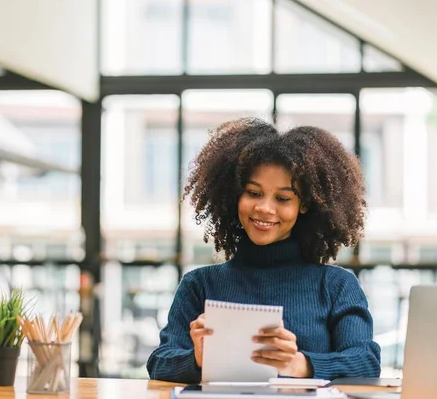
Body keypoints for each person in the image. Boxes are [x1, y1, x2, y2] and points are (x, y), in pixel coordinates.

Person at [146, 116, 381, 383]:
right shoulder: (199, 284)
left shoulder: (337, 285)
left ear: (304, 205)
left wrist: (299, 364)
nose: (264, 209)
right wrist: (198, 358)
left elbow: (366, 362)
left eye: (282, 198)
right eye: (253, 193)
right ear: (235, 195)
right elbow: (159, 362)